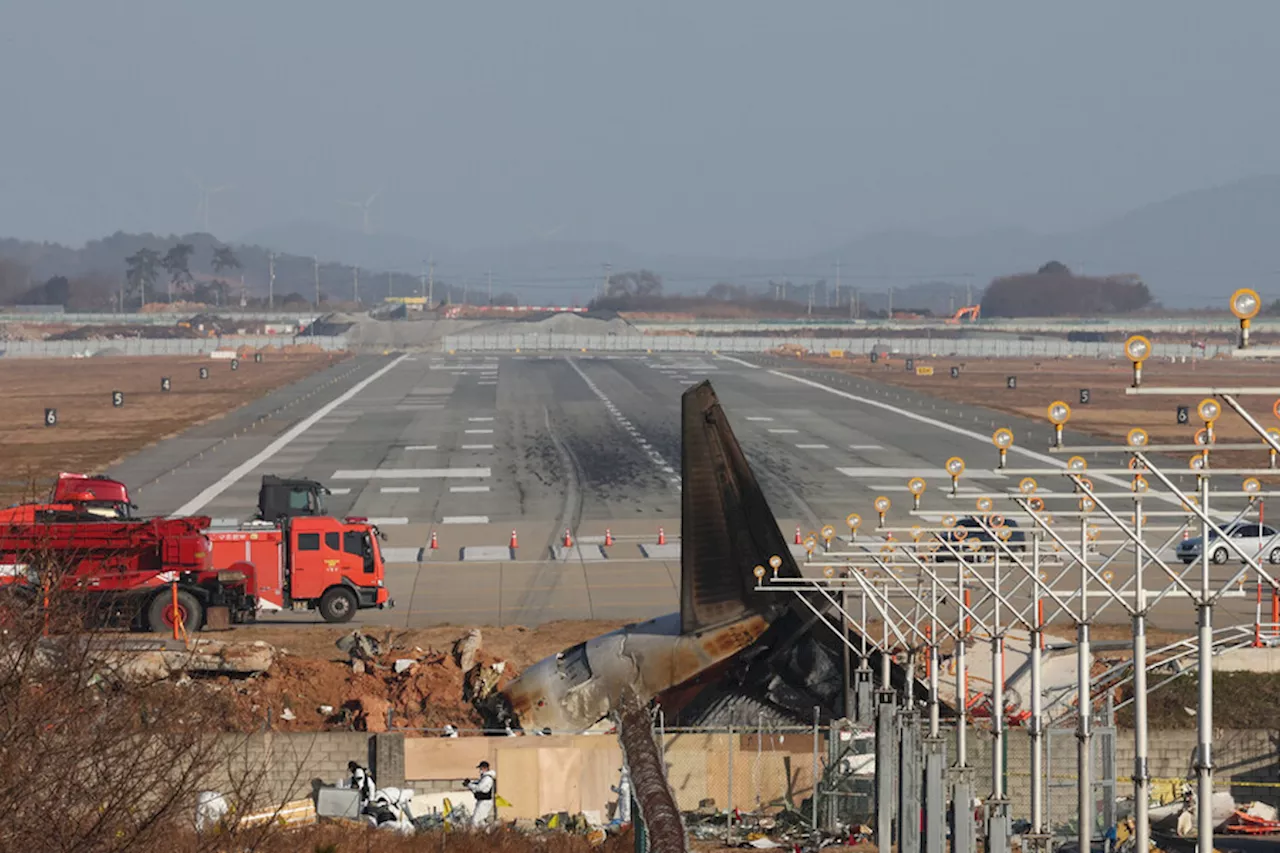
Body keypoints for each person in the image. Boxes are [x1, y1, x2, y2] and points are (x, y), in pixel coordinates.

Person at [465, 761, 497, 826]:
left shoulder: (487, 778)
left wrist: (469, 785)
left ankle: (475, 834)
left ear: (485, 768)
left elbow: (479, 787)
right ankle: (487, 833)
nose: (480, 770)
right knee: (481, 821)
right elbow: (478, 782)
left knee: (475, 820)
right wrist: (470, 782)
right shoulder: (484, 777)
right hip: (482, 801)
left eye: (481, 768)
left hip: (485, 802)